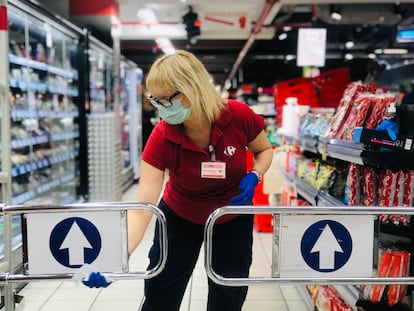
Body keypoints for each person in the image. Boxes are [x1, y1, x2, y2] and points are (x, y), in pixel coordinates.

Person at [82, 50, 273, 311]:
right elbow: (143, 206)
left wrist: (255, 175)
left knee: (229, 293)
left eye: (166, 99)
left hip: (232, 215)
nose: (161, 107)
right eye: (155, 100)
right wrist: (118, 255)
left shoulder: (238, 116)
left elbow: (264, 149)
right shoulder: (162, 136)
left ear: (192, 89)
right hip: (180, 215)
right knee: (162, 290)